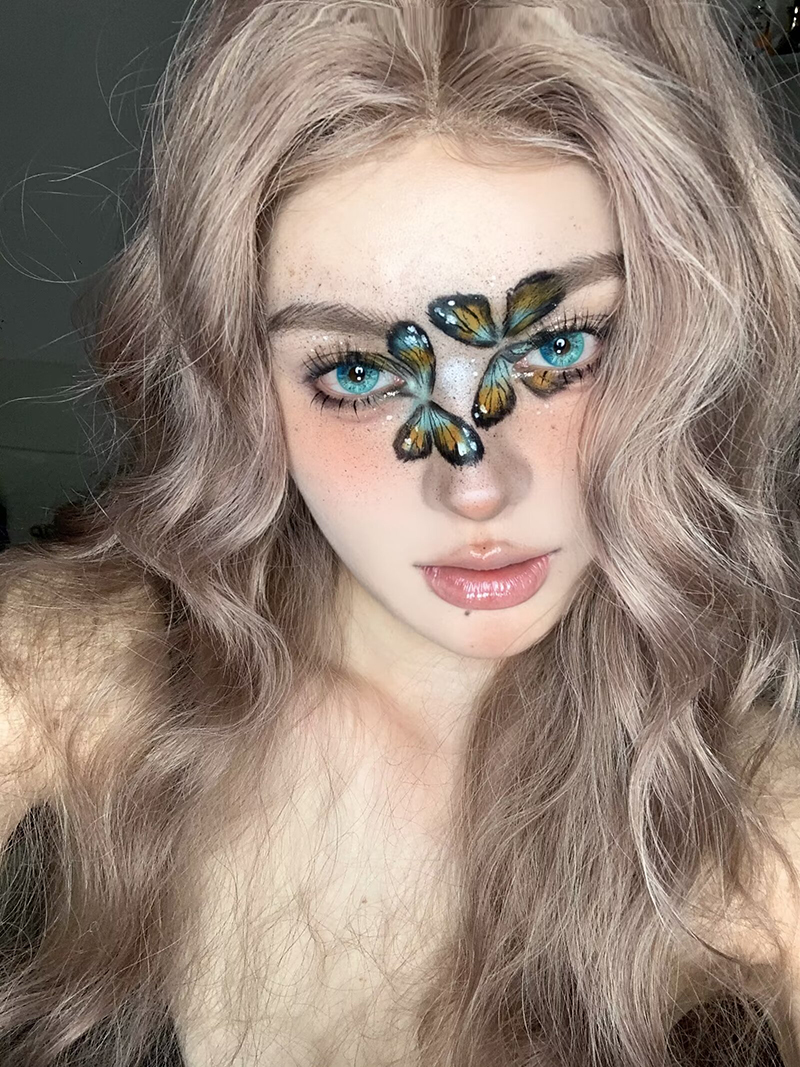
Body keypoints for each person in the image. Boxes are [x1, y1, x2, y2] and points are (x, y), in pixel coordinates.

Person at [1, 1, 800, 1065]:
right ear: (242, 384)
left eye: (558, 347)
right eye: (359, 371)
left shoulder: (762, 835)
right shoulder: (47, 675)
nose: (474, 483)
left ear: (679, 346)